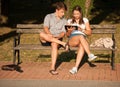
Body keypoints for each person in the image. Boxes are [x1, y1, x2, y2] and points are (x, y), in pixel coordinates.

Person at [66, 5, 97, 74]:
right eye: (74, 14)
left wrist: (82, 30)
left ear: (81, 13)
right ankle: (89, 54)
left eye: (77, 14)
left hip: (82, 39)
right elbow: (67, 35)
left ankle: (75, 68)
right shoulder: (70, 21)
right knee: (80, 36)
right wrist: (70, 31)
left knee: (82, 45)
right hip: (72, 39)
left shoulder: (85, 20)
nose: (76, 15)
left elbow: (89, 32)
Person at [39, 2, 68, 75]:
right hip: (47, 37)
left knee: (54, 44)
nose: (63, 14)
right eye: (62, 12)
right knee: (41, 34)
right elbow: (45, 27)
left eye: (64, 12)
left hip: (57, 39)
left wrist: (57, 37)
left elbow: (63, 33)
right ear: (57, 10)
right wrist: (49, 35)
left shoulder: (64, 20)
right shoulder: (49, 16)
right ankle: (63, 44)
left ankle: (52, 68)